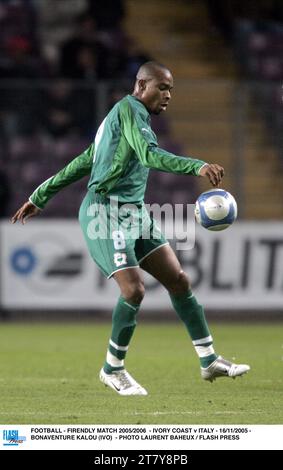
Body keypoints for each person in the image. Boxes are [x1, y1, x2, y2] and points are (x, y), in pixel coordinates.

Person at [11, 61, 250, 396]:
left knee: (178, 280)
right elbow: (150, 155)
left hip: (135, 212)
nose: (168, 95)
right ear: (141, 85)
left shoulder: (117, 119)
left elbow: (85, 160)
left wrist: (40, 195)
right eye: (162, 87)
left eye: (171, 89)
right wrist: (198, 165)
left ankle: (209, 359)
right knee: (134, 290)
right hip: (104, 211)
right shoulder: (130, 110)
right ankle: (113, 369)